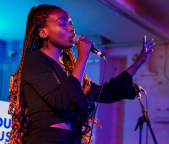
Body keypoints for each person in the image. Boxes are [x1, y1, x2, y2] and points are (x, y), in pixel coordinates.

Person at [7, 4, 155, 144]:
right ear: (43, 32)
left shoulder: (69, 70)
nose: (71, 28)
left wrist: (139, 62)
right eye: (63, 23)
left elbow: (106, 93)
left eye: (71, 23)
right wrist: (83, 57)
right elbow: (62, 101)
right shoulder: (35, 60)